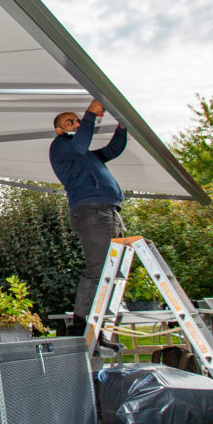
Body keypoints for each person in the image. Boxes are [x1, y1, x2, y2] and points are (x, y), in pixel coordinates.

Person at [49, 99, 127, 335]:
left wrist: (122, 127)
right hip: (92, 212)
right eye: (69, 122)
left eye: (77, 121)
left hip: (107, 211)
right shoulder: (60, 146)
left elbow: (112, 150)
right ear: (59, 130)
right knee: (99, 268)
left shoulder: (83, 156)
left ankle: (101, 330)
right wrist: (90, 114)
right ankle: (81, 327)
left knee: (112, 270)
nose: (76, 124)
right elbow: (81, 144)